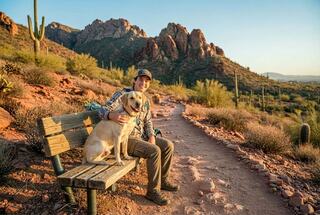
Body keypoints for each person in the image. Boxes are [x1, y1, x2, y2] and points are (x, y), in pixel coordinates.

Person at [98, 68, 179, 205]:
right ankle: (152, 192)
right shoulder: (123, 94)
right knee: (154, 151)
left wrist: (152, 136)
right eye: (141, 79)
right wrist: (111, 115)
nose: (144, 83)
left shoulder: (145, 100)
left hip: (140, 137)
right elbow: (101, 109)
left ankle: (163, 180)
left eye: (147, 81)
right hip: (125, 138)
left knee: (168, 146)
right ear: (134, 80)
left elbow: (148, 122)